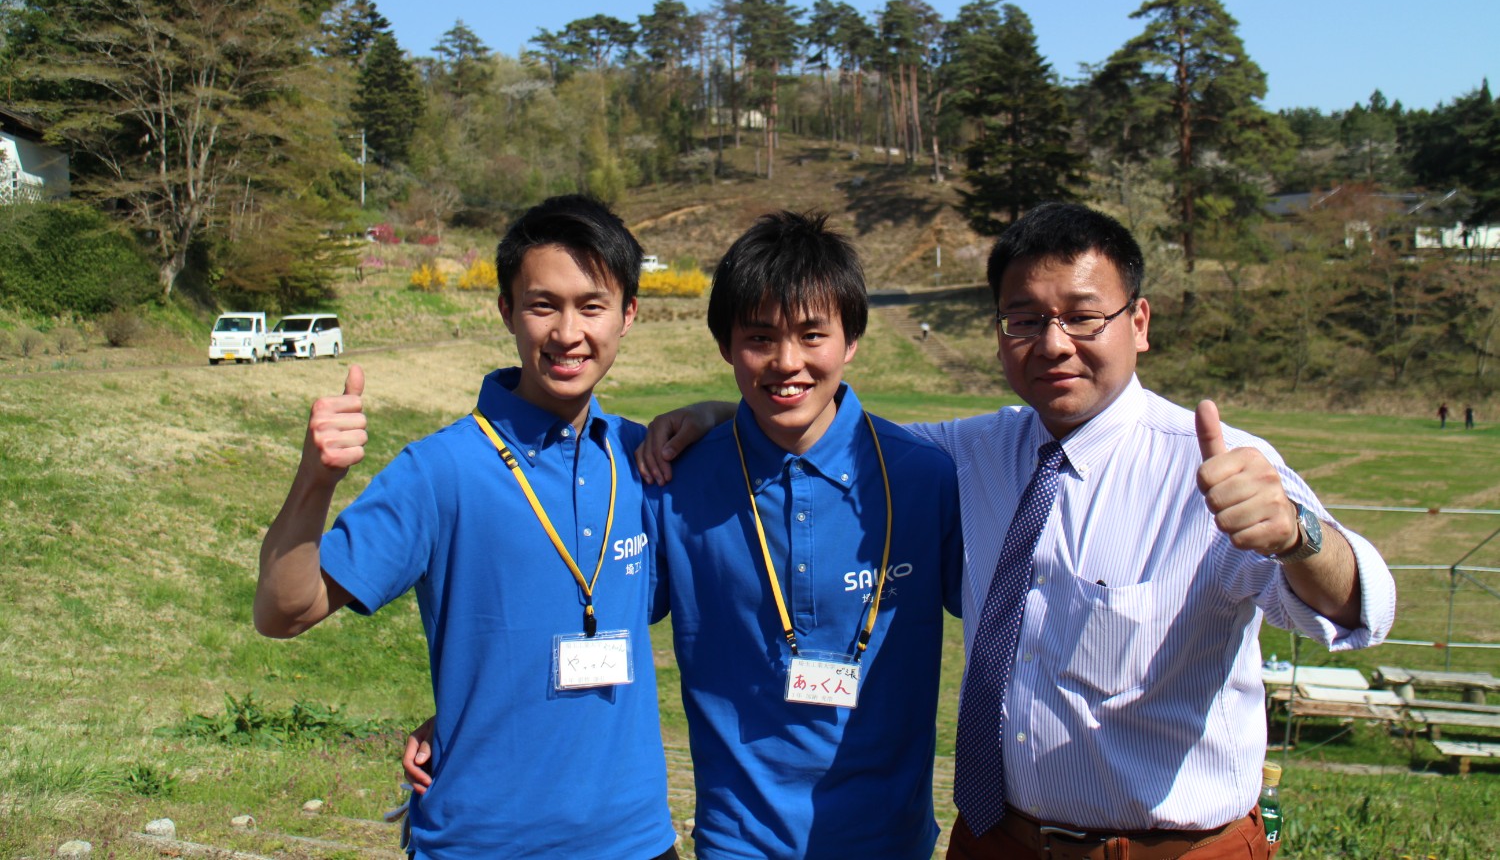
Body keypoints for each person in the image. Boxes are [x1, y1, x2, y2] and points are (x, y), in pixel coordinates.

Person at [639, 203, 1396, 860]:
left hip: (1171, 851)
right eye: (1026, 319)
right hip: (996, 842)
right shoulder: (971, 453)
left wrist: (1303, 536)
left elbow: (1358, 605)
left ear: (1138, 321)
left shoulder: (1214, 468)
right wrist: (716, 418)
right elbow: (819, 425)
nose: (1054, 342)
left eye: (1083, 315)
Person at [408, 211, 964, 859]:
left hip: (889, 840)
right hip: (738, 841)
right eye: (759, 338)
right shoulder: (675, 482)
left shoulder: (924, 478)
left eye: (813, 335)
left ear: (852, 339)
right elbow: (588, 612)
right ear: (726, 346)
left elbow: (1002, 630)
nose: (787, 362)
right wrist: (470, 715)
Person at [254, 195, 676, 860]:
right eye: (543, 305)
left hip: (635, 842)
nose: (568, 332)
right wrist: (314, 481)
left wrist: (713, 415)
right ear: (506, 310)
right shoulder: (439, 471)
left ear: (627, 316)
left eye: (591, 306)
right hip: (482, 843)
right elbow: (285, 611)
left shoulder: (646, 459)